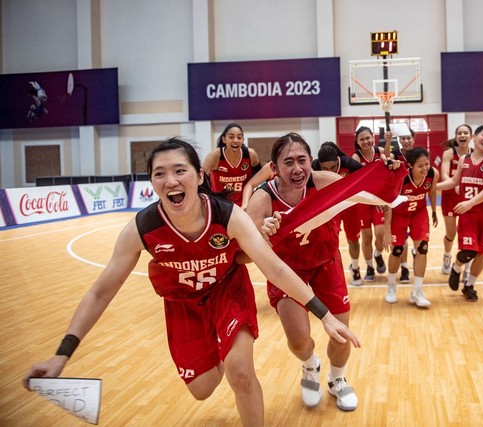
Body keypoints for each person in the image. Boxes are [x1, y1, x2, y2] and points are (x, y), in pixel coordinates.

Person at [23, 138, 360, 427]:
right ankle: (215, 347)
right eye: (159, 173)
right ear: (151, 183)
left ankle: (237, 349)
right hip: (182, 303)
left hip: (228, 290)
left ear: (199, 176)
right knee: (202, 388)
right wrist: (61, 355)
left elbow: (275, 268)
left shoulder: (228, 215)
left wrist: (325, 316)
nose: (170, 180)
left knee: (240, 371)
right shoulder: (142, 228)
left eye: (179, 170)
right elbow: (100, 292)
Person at [246, 133, 368, 412]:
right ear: (274, 168)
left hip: (326, 265)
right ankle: (309, 365)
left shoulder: (324, 182)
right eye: (288, 162)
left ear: (311, 162)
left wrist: (389, 170)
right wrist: (263, 234)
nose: (297, 168)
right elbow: (248, 249)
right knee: (298, 340)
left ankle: (337, 379)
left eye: (302, 160)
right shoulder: (262, 199)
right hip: (287, 273)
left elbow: (365, 189)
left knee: (341, 332)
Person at [437, 123, 483, 302]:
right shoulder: (464, 159)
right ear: (475, 138)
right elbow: (453, 181)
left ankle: (470, 285)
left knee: (481, 253)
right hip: (469, 213)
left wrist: (470, 202)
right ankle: (457, 267)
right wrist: (430, 188)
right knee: (468, 251)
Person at [383, 147, 439, 307]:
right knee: (397, 250)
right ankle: (391, 287)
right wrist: (387, 231)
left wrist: (434, 210)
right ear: (411, 166)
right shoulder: (401, 178)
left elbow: (432, 192)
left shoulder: (432, 174)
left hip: (419, 213)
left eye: (426, 164)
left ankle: (417, 292)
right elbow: (389, 204)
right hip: (399, 214)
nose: (425, 168)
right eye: (420, 166)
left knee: (422, 248)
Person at [311, 141, 364, 285]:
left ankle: (355, 267)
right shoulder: (313, 166)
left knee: (353, 240)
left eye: (333, 167)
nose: (329, 171)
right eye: (325, 168)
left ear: (337, 161)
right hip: (330, 206)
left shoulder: (350, 164)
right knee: (330, 240)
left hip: (350, 205)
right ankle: (329, 271)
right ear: (319, 165)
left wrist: (380, 200)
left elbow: (369, 179)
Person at [351, 126, 388, 281]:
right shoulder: (356, 157)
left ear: (372, 138)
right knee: (366, 237)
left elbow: (386, 173)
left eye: (367, 138)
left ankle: (378, 254)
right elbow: (358, 183)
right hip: (363, 200)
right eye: (362, 139)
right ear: (357, 142)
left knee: (380, 233)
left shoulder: (380, 151)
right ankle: (370, 266)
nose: (365, 141)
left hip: (378, 199)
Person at [439, 124, 474, 282]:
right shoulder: (449, 153)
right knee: (451, 234)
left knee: (468, 234)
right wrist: (455, 184)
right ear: (456, 136)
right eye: (459, 133)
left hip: (467, 197)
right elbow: (445, 174)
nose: (462, 135)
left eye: (465, 133)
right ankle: (447, 256)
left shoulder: (475, 154)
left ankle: (467, 267)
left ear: (471, 137)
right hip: (450, 196)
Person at [383, 127, 416, 283]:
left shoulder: (418, 155)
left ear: (414, 139)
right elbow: (385, 156)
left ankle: (404, 266)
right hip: (397, 200)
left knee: (408, 239)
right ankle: (403, 267)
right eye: (402, 138)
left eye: (409, 137)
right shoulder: (396, 154)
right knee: (400, 241)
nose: (406, 140)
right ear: (399, 140)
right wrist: (388, 141)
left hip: (415, 200)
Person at [202, 123, 262, 206]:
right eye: (231, 137)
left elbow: (261, 177)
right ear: (224, 139)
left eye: (239, 137)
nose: (236, 140)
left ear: (243, 140)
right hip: (221, 205)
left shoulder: (250, 154)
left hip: (244, 205)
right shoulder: (215, 156)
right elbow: (201, 178)